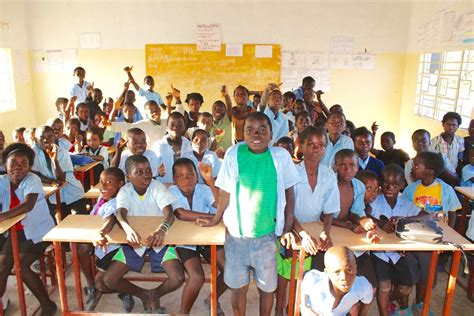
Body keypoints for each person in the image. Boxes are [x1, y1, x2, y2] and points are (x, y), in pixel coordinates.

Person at [197, 112, 300, 316]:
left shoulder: (280, 156)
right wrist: (216, 218)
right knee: (238, 287)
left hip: (268, 237)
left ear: (271, 133)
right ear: (241, 133)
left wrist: (287, 229)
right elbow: (225, 190)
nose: (256, 135)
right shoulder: (234, 153)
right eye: (250, 130)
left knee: (267, 288)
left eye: (263, 130)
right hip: (237, 237)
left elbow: (289, 195)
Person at [103, 155, 183, 313]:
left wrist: (162, 230)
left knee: (178, 277)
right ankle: (143, 294)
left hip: (159, 239)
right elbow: (120, 213)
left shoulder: (157, 187)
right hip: (135, 241)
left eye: (148, 170)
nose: (146, 175)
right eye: (139, 172)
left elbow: (169, 214)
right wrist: (128, 230)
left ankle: (155, 293)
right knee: (109, 279)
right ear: (128, 176)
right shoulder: (125, 191)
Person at [275, 126, 339, 316]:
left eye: (321, 145)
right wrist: (302, 234)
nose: (316, 150)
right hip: (290, 227)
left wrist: (326, 231)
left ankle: (295, 309)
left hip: (313, 228)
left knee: (303, 278)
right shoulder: (292, 172)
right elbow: (288, 209)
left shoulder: (328, 175)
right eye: (311, 145)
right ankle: (280, 307)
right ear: (301, 146)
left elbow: (330, 210)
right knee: (285, 277)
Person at [0, 143, 57, 315]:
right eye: (13, 163)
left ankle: (48, 304)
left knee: (20, 267)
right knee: (2, 267)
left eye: (23, 163)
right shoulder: (2, 181)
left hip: (39, 232)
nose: (18, 167)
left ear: (29, 166)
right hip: (15, 232)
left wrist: (2, 216)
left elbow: (28, 205)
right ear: (5, 165)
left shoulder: (33, 179)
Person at [168, 158, 227, 314]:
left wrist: (210, 181)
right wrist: (214, 218)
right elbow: (181, 214)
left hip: (208, 237)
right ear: (174, 179)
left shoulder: (204, 189)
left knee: (230, 271)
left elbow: (219, 205)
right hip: (184, 242)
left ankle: (212, 299)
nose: (186, 179)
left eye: (190, 174)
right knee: (196, 277)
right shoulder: (171, 191)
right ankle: (183, 312)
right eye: (180, 176)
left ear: (197, 176)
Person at [76, 168, 135, 312]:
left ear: (121, 184)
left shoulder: (118, 201)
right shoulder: (103, 198)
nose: (103, 186)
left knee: (103, 284)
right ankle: (92, 286)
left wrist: (101, 233)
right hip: (103, 243)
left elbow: (111, 218)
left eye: (108, 182)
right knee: (82, 248)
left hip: (115, 247)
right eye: (101, 182)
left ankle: (128, 291)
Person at [370, 164, 420, 316]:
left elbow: (425, 215)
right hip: (379, 253)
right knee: (384, 286)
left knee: (406, 288)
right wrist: (379, 222)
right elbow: (363, 213)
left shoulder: (405, 203)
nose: (390, 188)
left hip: (398, 253)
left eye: (395, 185)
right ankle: (384, 310)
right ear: (380, 183)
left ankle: (387, 300)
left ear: (402, 185)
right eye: (386, 184)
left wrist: (404, 219)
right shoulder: (375, 201)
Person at [332, 149, 378, 293]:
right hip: (327, 230)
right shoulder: (329, 183)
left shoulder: (358, 186)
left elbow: (354, 212)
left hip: (347, 233)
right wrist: (349, 226)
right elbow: (323, 216)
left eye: (352, 165)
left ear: (358, 168)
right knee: (334, 279)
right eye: (342, 165)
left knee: (371, 284)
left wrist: (362, 220)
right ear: (335, 167)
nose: (347, 170)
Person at [31, 125, 86, 220]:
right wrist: (51, 181)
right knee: (62, 225)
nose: (46, 140)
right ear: (35, 139)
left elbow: (61, 180)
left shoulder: (62, 153)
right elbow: (35, 173)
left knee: (79, 220)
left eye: (49, 137)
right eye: (41, 138)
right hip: (55, 197)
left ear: (55, 137)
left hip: (73, 193)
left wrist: (54, 160)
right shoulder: (34, 153)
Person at [300, 246, 373, 316]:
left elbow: (367, 301)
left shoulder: (362, 286)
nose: (344, 277)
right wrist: (304, 307)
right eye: (337, 272)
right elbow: (305, 281)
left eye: (349, 270)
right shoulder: (315, 281)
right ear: (327, 272)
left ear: (356, 268)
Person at [402, 151, 461, 228]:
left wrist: (450, 230)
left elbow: (452, 212)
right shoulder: (410, 189)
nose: (412, 169)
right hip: (417, 229)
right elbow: (403, 208)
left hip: (440, 230)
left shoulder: (446, 189)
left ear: (429, 171)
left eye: (416, 166)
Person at [152, 112, 193, 183]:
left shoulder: (190, 145)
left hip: (185, 186)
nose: (176, 127)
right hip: (164, 187)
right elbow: (151, 170)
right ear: (166, 128)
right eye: (172, 125)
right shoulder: (158, 146)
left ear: (185, 128)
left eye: (180, 125)